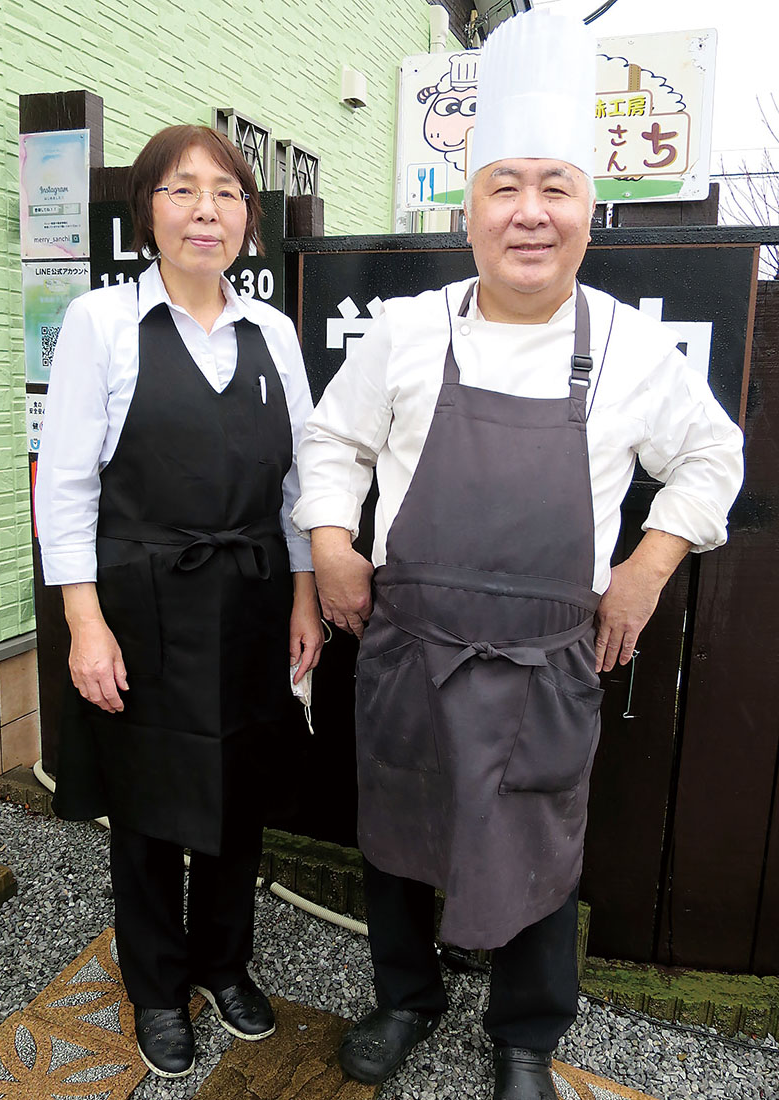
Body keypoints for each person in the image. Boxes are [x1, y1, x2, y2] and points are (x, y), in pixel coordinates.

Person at [291, 12, 744, 1100]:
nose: (528, 213)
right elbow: (330, 436)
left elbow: (709, 459)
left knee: (540, 849)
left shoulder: (629, 347)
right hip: (409, 647)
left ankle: (524, 1036)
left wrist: (645, 565)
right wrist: (330, 542)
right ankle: (404, 996)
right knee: (397, 834)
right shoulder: (407, 328)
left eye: (554, 187)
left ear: (590, 209)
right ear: (468, 203)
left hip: (544, 665)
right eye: (503, 185)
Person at [35, 124, 324, 1079]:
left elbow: (299, 484)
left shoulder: (273, 333)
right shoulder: (101, 324)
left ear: (250, 216)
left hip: (248, 599)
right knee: (151, 808)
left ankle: (224, 962)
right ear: (147, 214)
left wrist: (305, 594)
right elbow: (66, 485)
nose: (207, 210)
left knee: (238, 798)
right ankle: (156, 985)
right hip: (142, 603)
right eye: (181, 191)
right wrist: (83, 620)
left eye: (227, 193)